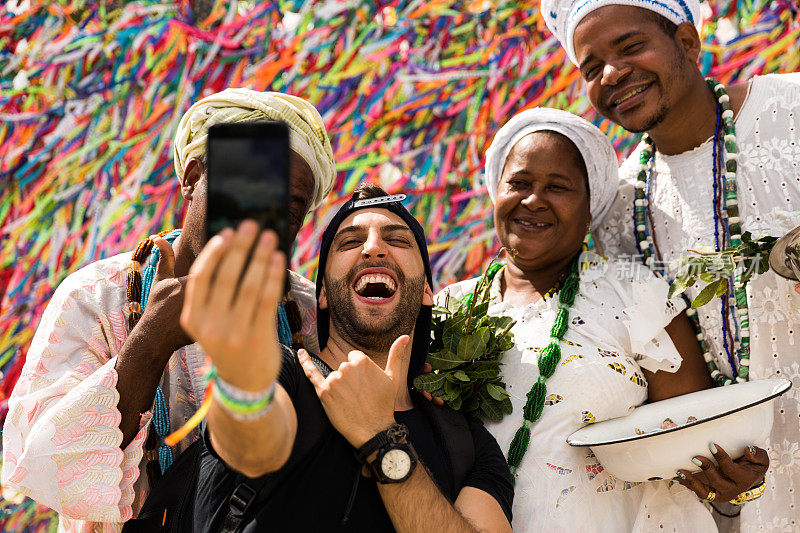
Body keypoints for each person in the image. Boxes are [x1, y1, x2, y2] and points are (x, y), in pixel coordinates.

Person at [1, 88, 337, 532]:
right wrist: (151, 341)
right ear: (193, 176)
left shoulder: (309, 313)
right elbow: (46, 471)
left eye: (289, 211)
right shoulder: (97, 297)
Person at [436, 108, 769, 531]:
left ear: (591, 209)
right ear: (495, 191)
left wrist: (732, 480)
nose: (534, 199)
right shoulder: (449, 310)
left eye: (558, 187)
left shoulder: (634, 294)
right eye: (519, 183)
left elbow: (699, 438)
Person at [541, 0, 800, 528]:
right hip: (754, 497)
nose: (611, 74)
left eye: (631, 46)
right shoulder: (620, 210)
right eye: (591, 69)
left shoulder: (790, 110)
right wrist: (714, 477)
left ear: (687, 42)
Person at [181, 184, 514, 531]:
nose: (373, 248)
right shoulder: (283, 374)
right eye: (351, 242)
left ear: (428, 290)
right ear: (322, 293)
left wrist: (380, 436)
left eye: (398, 240)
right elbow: (249, 437)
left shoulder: (466, 443)